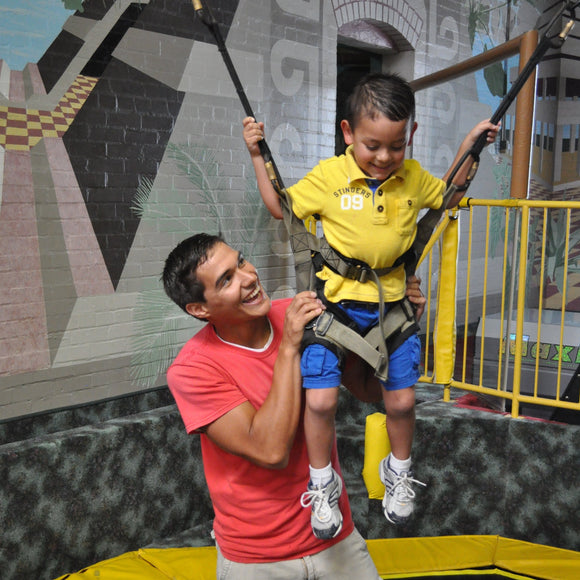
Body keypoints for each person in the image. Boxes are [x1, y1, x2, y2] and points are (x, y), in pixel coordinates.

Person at [242, 72, 500, 537]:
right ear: (347, 134)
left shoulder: (413, 178)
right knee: (319, 402)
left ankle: (398, 471)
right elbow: (281, 206)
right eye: (371, 146)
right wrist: (257, 153)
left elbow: (449, 196)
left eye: (396, 146)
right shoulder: (330, 177)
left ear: (411, 137)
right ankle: (322, 483)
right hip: (334, 310)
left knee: (401, 401)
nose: (383, 158)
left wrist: (470, 146)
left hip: (393, 312)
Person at [162, 233, 426, 579]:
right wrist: (288, 347)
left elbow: (366, 389)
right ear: (200, 309)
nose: (248, 278)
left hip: (335, 539)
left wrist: (398, 324)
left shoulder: (302, 313)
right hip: (257, 558)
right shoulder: (194, 369)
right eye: (227, 280)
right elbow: (270, 450)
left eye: (241, 262)